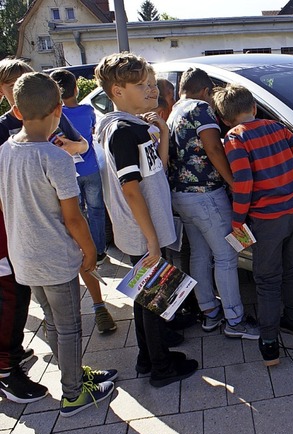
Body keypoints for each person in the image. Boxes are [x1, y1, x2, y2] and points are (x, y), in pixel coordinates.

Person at [0, 72, 117, 416]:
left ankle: (73, 375)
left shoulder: (4, 150)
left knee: (52, 322)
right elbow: (73, 218)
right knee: (69, 328)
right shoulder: (55, 158)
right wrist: (91, 250)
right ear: (58, 110)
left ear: (17, 112)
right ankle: (74, 393)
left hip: (24, 257)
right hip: (56, 258)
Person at [94, 53, 198, 387]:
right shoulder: (124, 130)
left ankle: (148, 356)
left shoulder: (137, 127)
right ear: (117, 90)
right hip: (144, 230)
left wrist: (163, 131)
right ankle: (161, 368)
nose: (151, 91)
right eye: (141, 85)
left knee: (147, 297)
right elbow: (131, 190)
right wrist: (152, 238)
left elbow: (159, 168)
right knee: (152, 300)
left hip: (147, 227)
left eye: (152, 84)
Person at [213, 84, 293, 366]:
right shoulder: (278, 128)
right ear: (254, 108)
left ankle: (269, 343)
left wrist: (238, 220)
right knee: (290, 268)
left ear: (223, 119)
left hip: (266, 220)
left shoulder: (235, 138)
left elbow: (243, 183)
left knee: (267, 280)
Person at [167, 67, 259, 338]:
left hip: (182, 194)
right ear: (206, 91)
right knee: (227, 256)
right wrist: (233, 182)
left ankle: (209, 311)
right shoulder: (200, 109)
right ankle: (235, 320)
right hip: (206, 193)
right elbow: (213, 147)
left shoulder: (175, 111)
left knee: (199, 254)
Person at [50, 68, 117, 334]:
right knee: (96, 211)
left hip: (70, 175)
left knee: (75, 216)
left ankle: (89, 253)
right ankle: (99, 251)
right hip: (89, 169)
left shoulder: (57, 117)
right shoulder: (88, 111)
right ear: (75, 89)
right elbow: (88, 138)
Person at [0, 58, 47, 403]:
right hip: (4, 233)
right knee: (10, 298)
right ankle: (5, 370)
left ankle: (11, 356)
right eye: (13, 84)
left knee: (18, 293)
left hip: (17, 230)